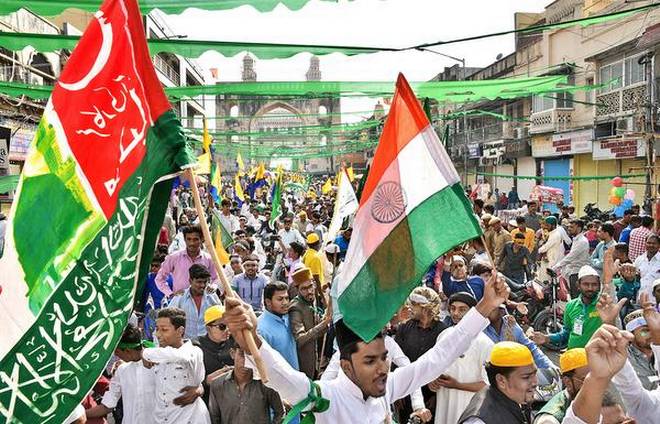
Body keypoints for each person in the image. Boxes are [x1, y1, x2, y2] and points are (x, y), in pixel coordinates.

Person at [223, 269, 510, 423]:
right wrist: (252, 339)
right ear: (346, 366)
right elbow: (283, 377)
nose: (383, 368)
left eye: (384, 357)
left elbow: (438, 357)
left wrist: (485, 305)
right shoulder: (325, 398)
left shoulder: (388, 388)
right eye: (370, 361)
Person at [86, 324, 199, 424]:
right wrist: (77, 415)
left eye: (117, 352)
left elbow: (187, 384)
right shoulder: (121, 370)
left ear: (128, 351)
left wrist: (199, 389)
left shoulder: (161, 364)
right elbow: (107, 406)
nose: (116, 356)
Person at [431, 294, 493, 424]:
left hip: (470, 413)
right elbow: (432, 370)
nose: (455, 313)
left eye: (462, 309)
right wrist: (432, 381)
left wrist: (457, 385)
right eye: (452, 308)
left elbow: (488, 386)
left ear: (472, 312)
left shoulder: (484, 343)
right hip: (444, 410)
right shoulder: (444, 336)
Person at [142, 307, 210, 424]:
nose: (158, 334)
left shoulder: (193, 352)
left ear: (180, 331)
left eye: (164, 330)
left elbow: (180, 356)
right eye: (157, 329)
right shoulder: (157, 355)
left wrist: (145, 353)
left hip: (191, 419)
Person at [395, 287, 448, 420]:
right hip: (405, 392)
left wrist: (436, 397)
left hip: (431, 395)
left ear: (425, 307)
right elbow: (396, 361)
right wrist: (397, 393)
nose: (409, 307)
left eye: (413, 304)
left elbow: (446, 365)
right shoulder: (404, 327)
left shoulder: (444, 332)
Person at [457, 341, 537, 423]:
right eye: (526, 377)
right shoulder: (480, 421)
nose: (535, 382)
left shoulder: (515, 398)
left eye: (535, 374)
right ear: (501, 381)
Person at [207, 342, 285, 424]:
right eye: (241, 355)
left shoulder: (266, 383)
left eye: (249, 357)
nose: (245, 362)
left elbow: (280, 413)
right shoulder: (217, 385)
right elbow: (214, 418)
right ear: (233, 353)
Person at [531, 265, 603, 349]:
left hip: (598, 358)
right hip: (573, 356)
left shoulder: (604, 305)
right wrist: (547, 338)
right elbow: (566, 333)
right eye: (586, 284)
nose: (590, 288)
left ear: (599, 287)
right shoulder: (571, 306)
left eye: (594, 284)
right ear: (578, 285)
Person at [288, 267, 333, 378]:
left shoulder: (312, 298)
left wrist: (324, 319)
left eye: (310, 286)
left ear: (314, 284)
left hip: (317, 358)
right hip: (305, 362)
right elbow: (300, 340)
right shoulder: (295, 308)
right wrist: (323, 324)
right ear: (297, 289)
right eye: (304, 288)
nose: (309, 291)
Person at [484, 305, 554, 370]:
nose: (486, 311)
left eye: (492, 309)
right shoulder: (480, 330)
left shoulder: (511, 325)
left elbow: (531, 349)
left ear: (501, 312)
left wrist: (551, 367)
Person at [156, 225, 218, 298]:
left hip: (203, 302)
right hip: (180, 302)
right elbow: (159, 279)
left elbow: (216, 278)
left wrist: (213, 286)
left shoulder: (208, 259)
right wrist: (170, 294)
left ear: (201, 240)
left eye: (195, 239)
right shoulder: (174, 257)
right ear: (184, 240)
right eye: (189, 239)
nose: (192, 243)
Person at [533, 348, 589, 424]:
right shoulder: (550, 420)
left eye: (598, 377)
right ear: (568, 382)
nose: (596, 384)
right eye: (586, 380)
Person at [168, 264, 222, 339]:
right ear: (190, 281)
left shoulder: (212, 297)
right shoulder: (180, 297)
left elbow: (221, 317)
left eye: (205, 282)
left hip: (208, 344)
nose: (202, 285)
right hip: (187, 344)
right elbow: (168, 318)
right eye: (199, 282)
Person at [257, 281, 299, 370]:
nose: (285, 303)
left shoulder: (289, 317)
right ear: (268, 302)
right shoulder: (261, 330)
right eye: (280, 299)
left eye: (287, 298)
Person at [194, 305, 234, 397]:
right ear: (208, 328)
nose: (227, 330)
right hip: (208, 398)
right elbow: (188, 381)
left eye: (229, 325)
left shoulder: (235, 342)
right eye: (222, 326)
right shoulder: (197, 347)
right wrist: (206, 381)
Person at [553, 219, 590, 299]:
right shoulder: (576, 239)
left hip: (577, 273)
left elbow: (571, 257)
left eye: (572, 227)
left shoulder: (582, 241)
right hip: (572, 272)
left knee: (577, 299)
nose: (569, 229)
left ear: (579, 228)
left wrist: (556, 267)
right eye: (569, 227)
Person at [622, 309, 659, 391]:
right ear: (631, 335)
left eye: (653, 329)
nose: (652, 334)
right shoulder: (625, 358)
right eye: (645, 331)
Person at [633, 234, 660, 303]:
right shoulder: (639, 260)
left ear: (659, 245)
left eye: (654, 243)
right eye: (648, 243)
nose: (651, 245)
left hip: (656, 302)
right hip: (640, 300)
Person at [537, 216, 565, 283]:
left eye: (547, 225)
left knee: (547, 280)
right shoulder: (551, 233)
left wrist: (540, 249)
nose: (545, 227)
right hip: (548, 260)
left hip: (552, 261)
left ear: (553, 225)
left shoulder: (555, 235)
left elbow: (544, 248)